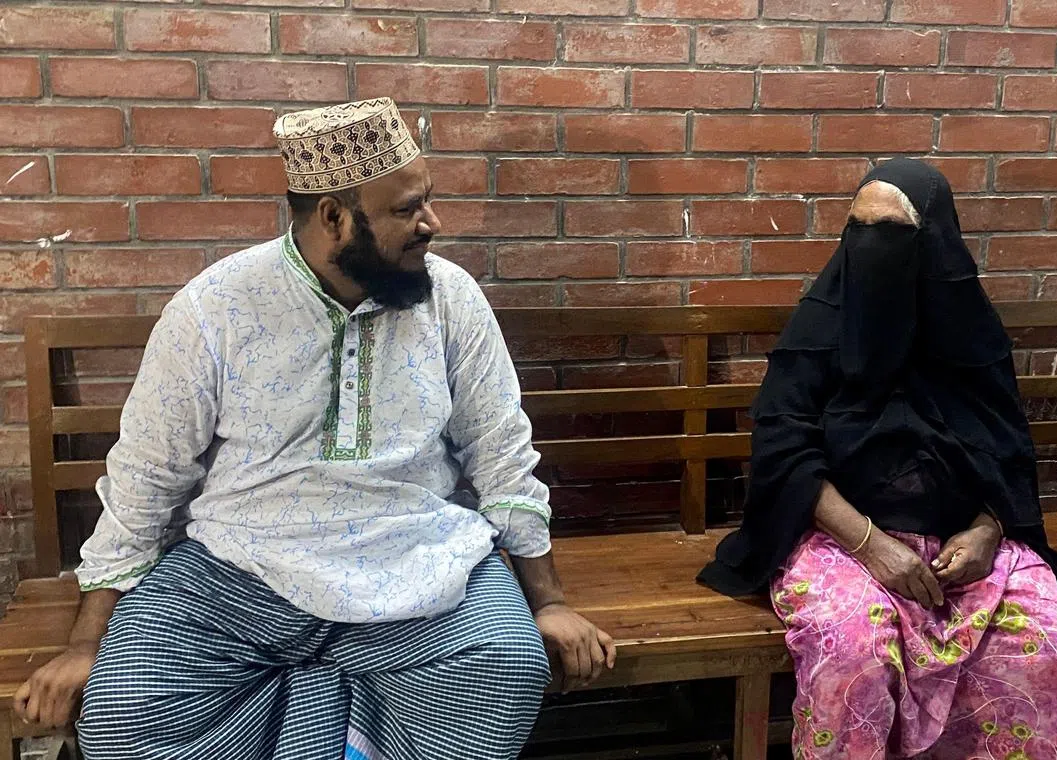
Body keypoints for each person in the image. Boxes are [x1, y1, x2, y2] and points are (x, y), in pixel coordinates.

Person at [13, 98, 615, 760]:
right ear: (333, 217)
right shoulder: (214, 307)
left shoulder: (451, 300)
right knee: (125, 709)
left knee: (505, 668)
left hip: (416, 563)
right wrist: (84, 645)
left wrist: (549, 602)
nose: (431, 223)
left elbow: (501, 454)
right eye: (405, 209)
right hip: (241, 569)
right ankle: (341, 722)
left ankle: (329, 721)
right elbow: (146, 475)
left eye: (428, 202)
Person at [699, 158, 1057, 759]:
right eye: (859, 229)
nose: (870, 248)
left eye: (892, 232)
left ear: (933, 244)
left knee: (1054, 640)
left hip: (963, 543)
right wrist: (869, 543)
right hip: (838, 536)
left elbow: (1007, 454)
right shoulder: (822, 325)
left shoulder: (972, 337)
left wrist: (987, 529)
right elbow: (784, 450)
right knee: (853, 645)